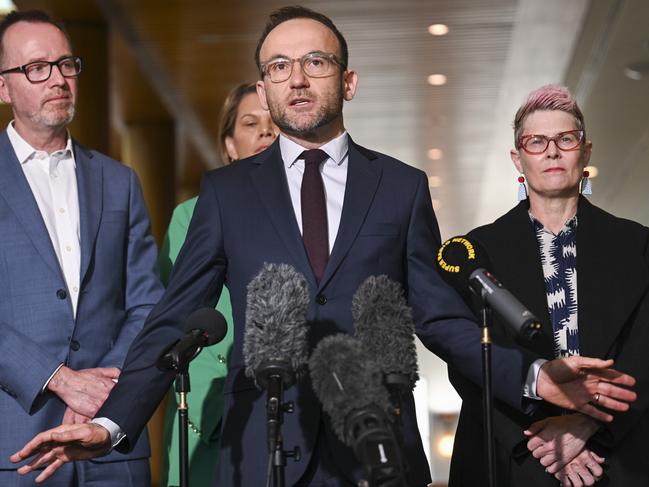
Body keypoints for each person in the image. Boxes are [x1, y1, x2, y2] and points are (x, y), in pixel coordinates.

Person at [12, 8, 637, 487]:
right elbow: (173, 317)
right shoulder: (226, 193)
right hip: (259, 449)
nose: (298, 79)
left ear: (349, 79)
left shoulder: (400, 187)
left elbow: (441, 319)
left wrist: (530, 375)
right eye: (279, 66)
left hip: (377, 445)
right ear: (264, 87)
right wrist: (112, 421)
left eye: (316, 62)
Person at [448, 85, 649, 487]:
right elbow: (466, 360)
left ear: (586, 151)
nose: (552, 152)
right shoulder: (476, 250)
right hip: (509, 454)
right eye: (536, 141)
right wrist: (539, 440)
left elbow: (644, 354)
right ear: (517, 157)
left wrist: (585, 425)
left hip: (619, 452)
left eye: (565, 139)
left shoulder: (638, 244)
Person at [0, 10, 163, 487]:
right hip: (16, 451)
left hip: (110, 442)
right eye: (36, 67)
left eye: (66, 64)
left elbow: (147, 303)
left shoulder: (119, 181)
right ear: (4, 88)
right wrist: (58, 378)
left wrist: (99, 389)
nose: (57, 79)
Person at [159, 82, 277, 487]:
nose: (266, 131)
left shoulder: (310, 217)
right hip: (204, 418)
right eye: (251, 123)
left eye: (275, 122)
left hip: (283, 414)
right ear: (229, 144)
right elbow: (167, 322)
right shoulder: (187, 218)